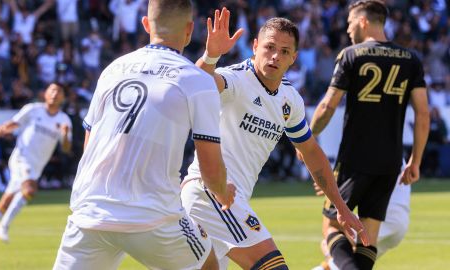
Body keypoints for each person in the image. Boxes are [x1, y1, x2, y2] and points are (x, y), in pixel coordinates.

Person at [181, 8, 368, 270]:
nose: (275, 56)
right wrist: (211, 55)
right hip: (210, 193)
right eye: (269, 47)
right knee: (273, 266)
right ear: (255, 46)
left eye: (284, 51)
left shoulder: (290, 100)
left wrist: (341, 207)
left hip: (231, 199)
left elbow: (311, 153)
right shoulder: (237, 79)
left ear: (294, 58)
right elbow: (198, 83)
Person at [53, 1, 235, 269]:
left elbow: (89, 145)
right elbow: (209, 168)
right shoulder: (198, 80)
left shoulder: (112, 70)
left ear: (146, 25)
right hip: (153, 218)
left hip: (90, 212)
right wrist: (222, 192)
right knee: (208, 264)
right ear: (189, 30)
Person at [309, 1, 429, 269]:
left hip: (355, 158)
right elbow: (423, 114)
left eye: (351, 23)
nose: (349, 29)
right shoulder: (411, 59)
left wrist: (306, 135)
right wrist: (415, 161)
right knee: (367, 237)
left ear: (363, 21)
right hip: (390, 162)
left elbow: (328, 105)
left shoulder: (352, 54)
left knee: (331, 228)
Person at [0, 82, 72, 249]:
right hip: (21, 158)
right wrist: (3, 129)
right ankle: (4, 225)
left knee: (6, 202)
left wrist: (66, 135)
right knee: (30, 189)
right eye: (52, 90)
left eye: (59, 91)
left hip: (36, 167)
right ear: (45, 94)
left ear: (63, 97)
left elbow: (66, 148)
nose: (55, 93)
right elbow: (15, 123)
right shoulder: (33, 110)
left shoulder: (64, 120)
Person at [312, 162, 411, 270]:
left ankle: (331, 262)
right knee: (361, 246)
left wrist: (327, 179)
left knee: (331, 233)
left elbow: (309, 150)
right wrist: (415, 159)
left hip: (360, 159)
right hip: (392, 164)